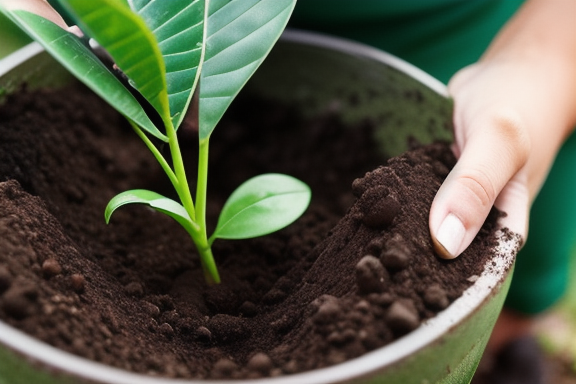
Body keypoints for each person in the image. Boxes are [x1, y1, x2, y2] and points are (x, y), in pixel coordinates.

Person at [290, 0, 576, 383]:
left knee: (517, 298)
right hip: (218, 65)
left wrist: (543, 64)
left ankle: (499, 351)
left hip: (492, 70)